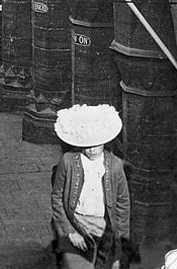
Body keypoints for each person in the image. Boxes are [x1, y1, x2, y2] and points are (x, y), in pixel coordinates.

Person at [51, 103, 130, 269]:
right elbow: (57, 197)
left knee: (111, 265)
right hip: (77, 220)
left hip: (104, 223)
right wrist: (70, 231)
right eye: (87, 145)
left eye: (97, 144)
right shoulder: (68, 161)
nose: (92, 149)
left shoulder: (115, 166)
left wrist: (122, 239)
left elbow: (123, 204)